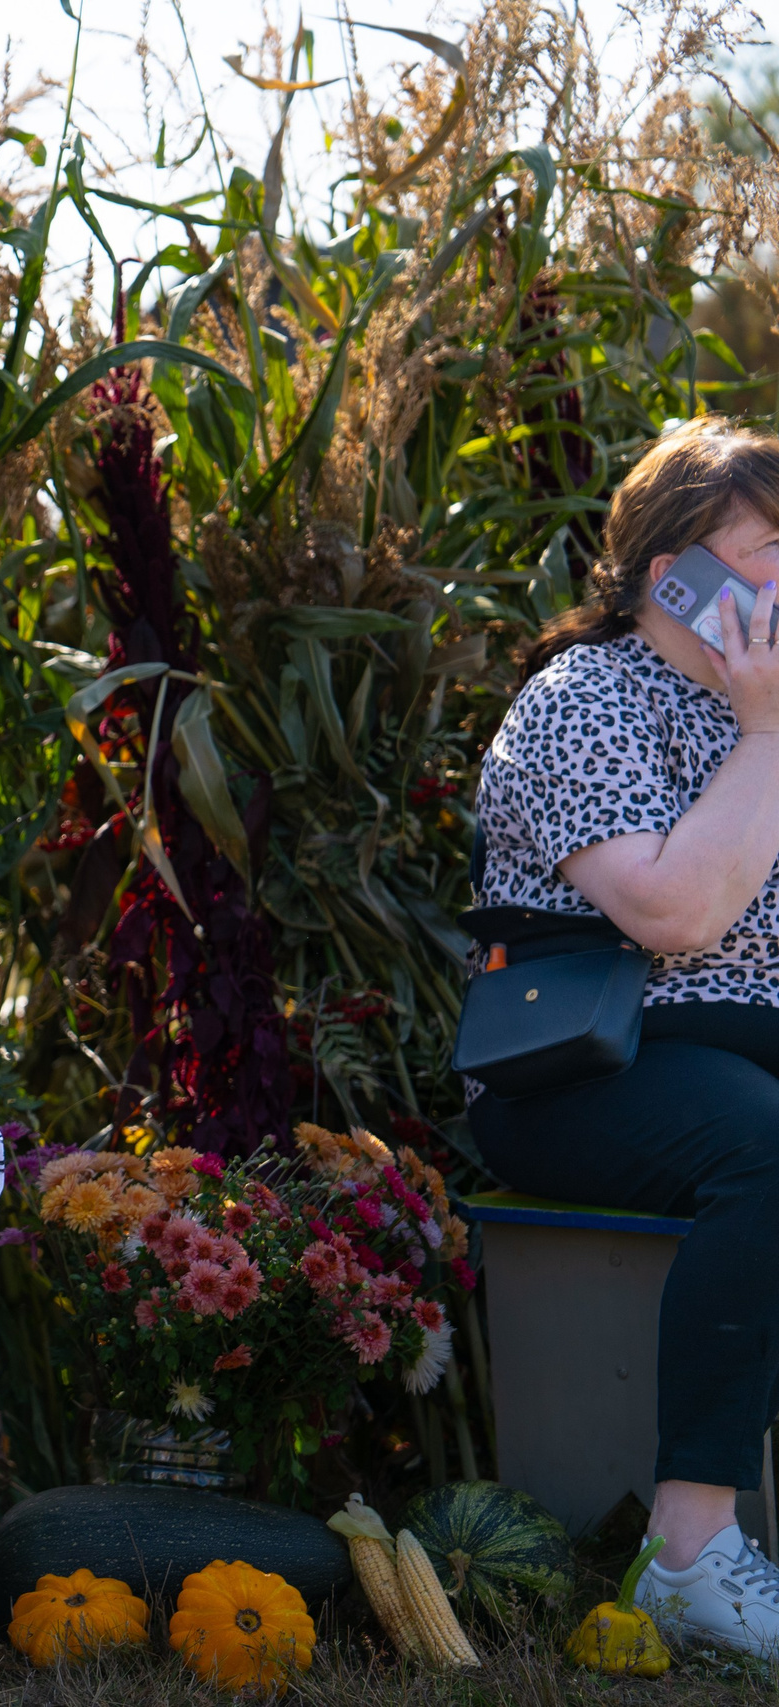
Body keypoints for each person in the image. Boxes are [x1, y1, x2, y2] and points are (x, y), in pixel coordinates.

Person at [469, 416, 779, 1658]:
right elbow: (678, 913)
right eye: (769, 557)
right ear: (678, 579)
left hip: (742, 1054)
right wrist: (765, 736)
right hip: (588, 1077)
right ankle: (689, 1552)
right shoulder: (580, 705)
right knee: (765, 1144)